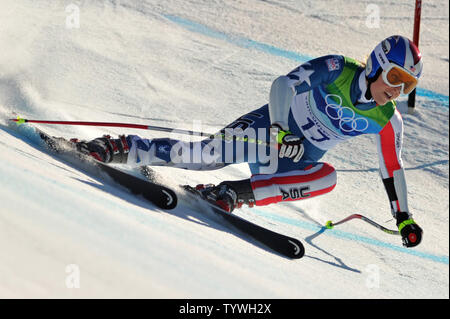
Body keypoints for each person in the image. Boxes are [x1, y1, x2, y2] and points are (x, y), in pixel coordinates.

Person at [75, 35, 423, 248]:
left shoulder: (386, 119)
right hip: (266, 132)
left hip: (292, 161)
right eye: (395, 76)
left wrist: (403, 217)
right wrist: (277, 129)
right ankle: (120, 147)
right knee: (204, 156)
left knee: (327, 178)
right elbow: (283, 85)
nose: (396, 89)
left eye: (406, 85)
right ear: (377, 64)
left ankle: (230, 194)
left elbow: (391, 167)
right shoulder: (338, 68)